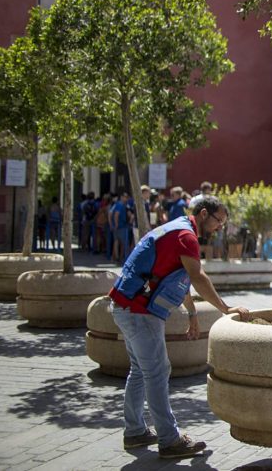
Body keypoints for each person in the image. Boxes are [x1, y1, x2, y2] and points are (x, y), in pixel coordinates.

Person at [107, 195, 250, 459]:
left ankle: (135, 430)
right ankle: (169, 440)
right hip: (139, 311)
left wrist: (192, 313)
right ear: (204, 214)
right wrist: (225, 308)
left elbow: (176, 275)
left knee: (141, 370)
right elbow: (196, 276)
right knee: (157, 371)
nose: (219, 227)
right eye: (219, 221)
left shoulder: (177, 228)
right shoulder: (187, 236)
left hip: (126, 305)